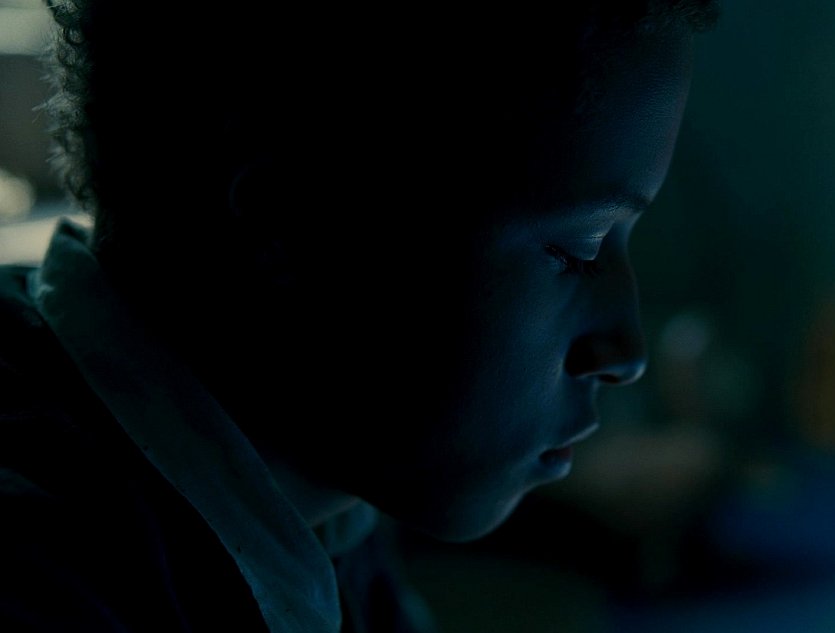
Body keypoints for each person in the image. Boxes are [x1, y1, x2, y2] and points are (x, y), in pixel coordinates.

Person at [0, 1, 718, 631]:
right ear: (292, 225)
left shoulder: (320, 499)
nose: (625, 350)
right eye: (574, 249)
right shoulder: (43, 584)